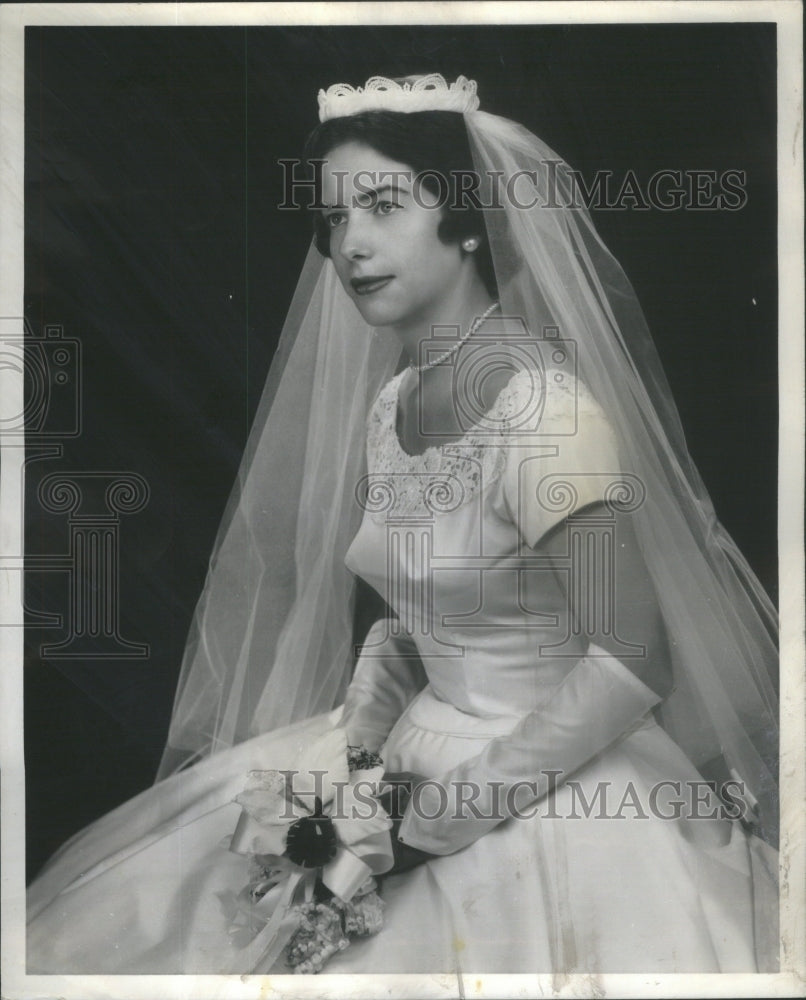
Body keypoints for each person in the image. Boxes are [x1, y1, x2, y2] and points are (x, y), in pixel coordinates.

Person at [26, 75, 779, 975]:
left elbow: (633, 657)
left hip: (551, 787)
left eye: (382, 205)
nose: (350, 245)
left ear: (466, 219)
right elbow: (422, 614)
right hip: (409, 745)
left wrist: (429, 821)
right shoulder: (397, 402)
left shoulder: (543, 411)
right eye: (335, 220)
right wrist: (360, 750)